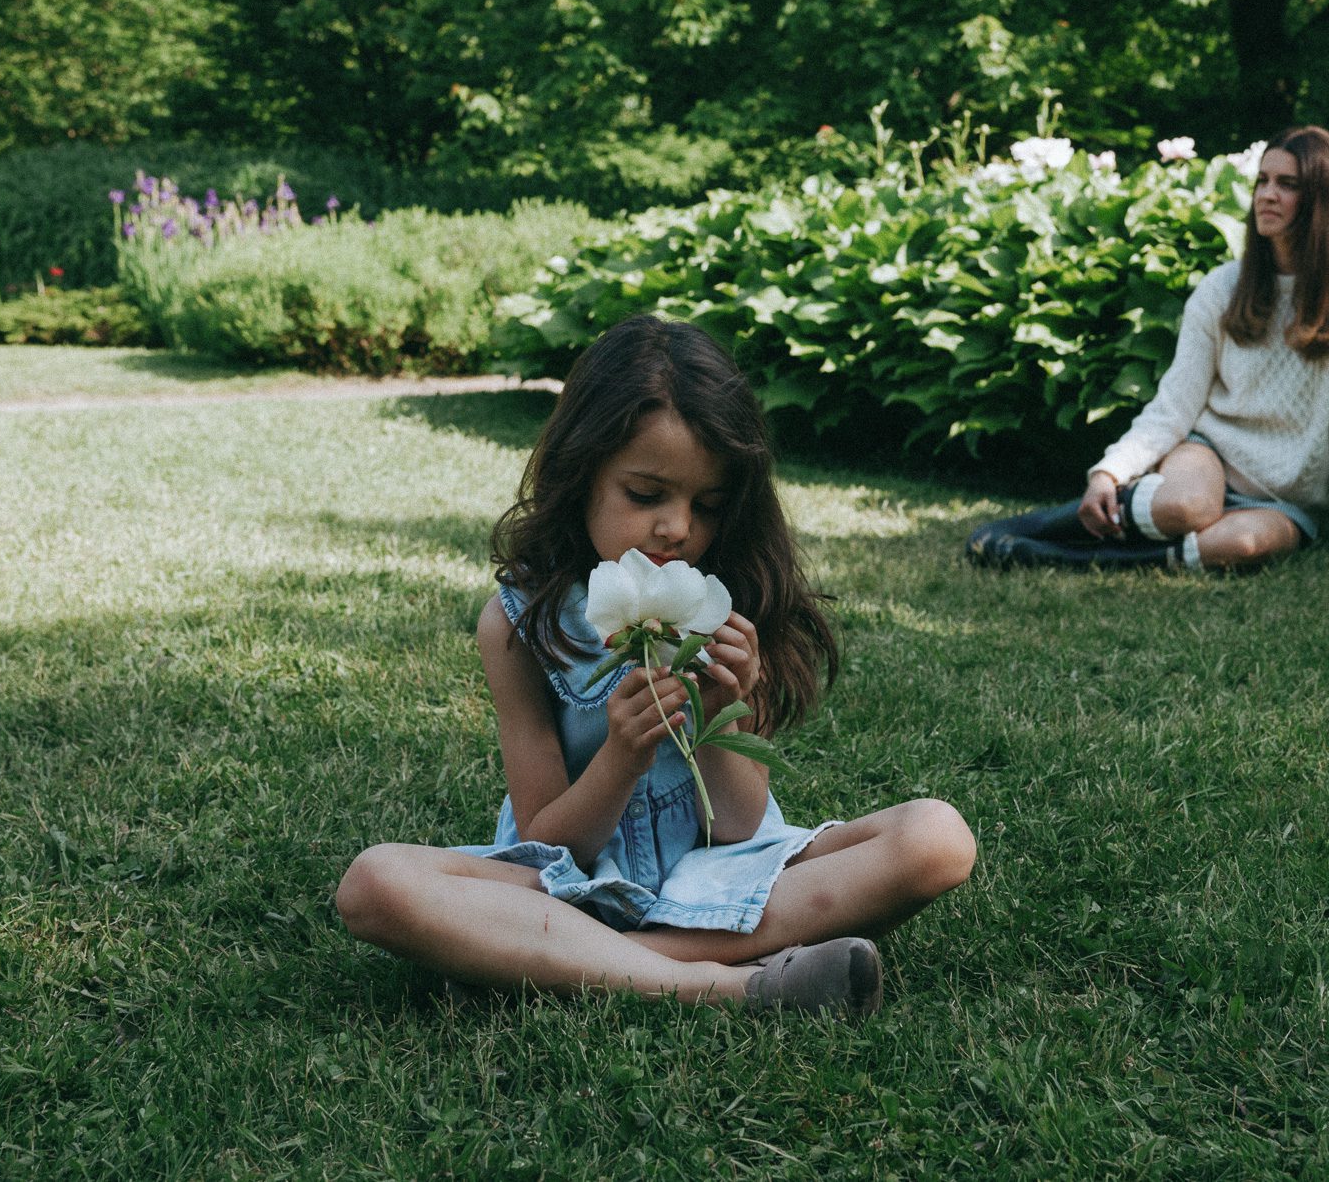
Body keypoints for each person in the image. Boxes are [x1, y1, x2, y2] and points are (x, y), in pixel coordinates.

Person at [338, 315, 976, 1017]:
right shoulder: (521, 627)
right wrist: (621, 756)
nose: (678, 528)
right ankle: (733, 984)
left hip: (722, 878)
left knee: (936, 839)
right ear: (581, 476)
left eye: (707, 504)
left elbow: (739, 825)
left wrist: (723, 709)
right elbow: (549, 843)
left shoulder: (723, 603)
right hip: (572, 888)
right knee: (374, 882)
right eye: (646, 496)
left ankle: (533, 958)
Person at [967, 125, 1329, 571]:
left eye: (1288, 184)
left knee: (1246, 544)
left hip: (1287, 497)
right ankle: (1037, 527)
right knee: (1188, 507)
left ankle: (1066, 559)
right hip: (1208, 457)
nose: (1267, 195)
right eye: (1263, 181)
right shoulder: (1223, 288)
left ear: (1322, 199)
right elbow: (1175, 404)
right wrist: (1109, 471)